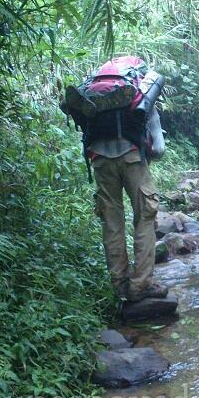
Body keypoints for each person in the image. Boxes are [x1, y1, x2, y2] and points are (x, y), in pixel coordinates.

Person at [67, 56, 168, 302]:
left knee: (112, 222)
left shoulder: (95, 97)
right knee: (145, 216)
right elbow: (159, 150)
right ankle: (141, 285)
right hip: (133, 159)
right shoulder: (143, 95)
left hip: (100, 161)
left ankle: (120, 286)